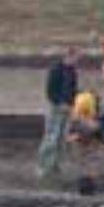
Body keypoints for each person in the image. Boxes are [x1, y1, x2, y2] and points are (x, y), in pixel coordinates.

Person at [36, 48, 79, 179]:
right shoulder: (55, 70)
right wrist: (59, 103)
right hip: (55, 108)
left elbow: (73, 90)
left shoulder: (73, 72)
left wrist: (71, 105)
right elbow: (50, 91)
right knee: (51, 138)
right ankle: (42, 167)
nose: (76, 61)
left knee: (61, 139)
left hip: (67, 109)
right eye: (75, 58)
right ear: (68, 56)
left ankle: (54, 165)